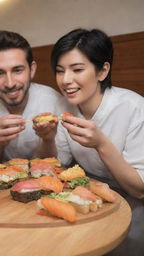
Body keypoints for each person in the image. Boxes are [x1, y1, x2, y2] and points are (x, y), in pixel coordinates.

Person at [46, 28, 144, 255]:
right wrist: (47, 138)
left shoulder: (133, 108)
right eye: (60, 71)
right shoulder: (63, 106)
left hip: (135, 206)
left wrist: (101, 143)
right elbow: (58, 165)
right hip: (91, 197)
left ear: (102, 71)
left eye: (77, 69)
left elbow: (139, 189)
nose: (66, 80)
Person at [0, 30, 72, 163]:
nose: (10, 83)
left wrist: (48, 140)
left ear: (32, 70)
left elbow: (62, 164)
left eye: (17, 70)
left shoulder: (54, 101)